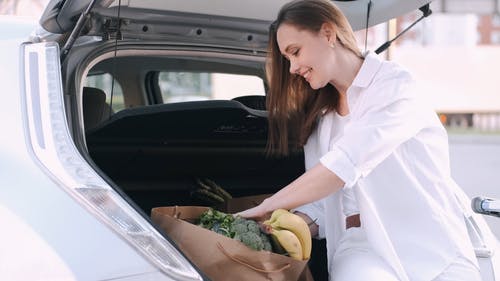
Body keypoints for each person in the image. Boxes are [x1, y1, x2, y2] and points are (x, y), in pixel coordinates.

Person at [237, 0, 494, 280]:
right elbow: (324, 204)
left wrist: (268, 205)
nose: (293, 68)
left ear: (327, 33)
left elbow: (345, 163)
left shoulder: (395, 86)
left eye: (295, 52)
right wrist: (277, 230)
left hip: (435, 247)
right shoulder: (323, 121)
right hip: (363, 251)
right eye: (288, 59)